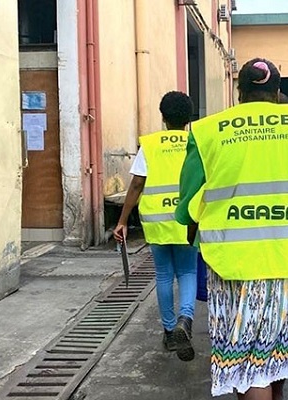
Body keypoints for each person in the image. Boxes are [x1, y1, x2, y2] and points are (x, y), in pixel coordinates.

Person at [175, 58, 288, 399]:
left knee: (248, 365)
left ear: (239, 92)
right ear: (277, 92)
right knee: (279, 355)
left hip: (235, 265)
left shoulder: (208, 129)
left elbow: (186, 201)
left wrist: (190, 218)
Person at [114, 91, 198, 362]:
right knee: (187, 271)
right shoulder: (196, 141)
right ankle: (186, 318)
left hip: (157, 220)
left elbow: (137, 184)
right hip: (187, 219)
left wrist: (123, 220)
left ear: (163, 117)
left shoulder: (149, 145)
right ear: (189, 118)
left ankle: (169, 329)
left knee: (163, 275)